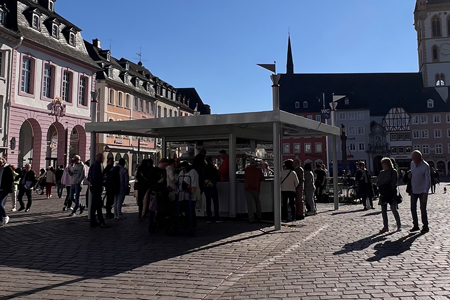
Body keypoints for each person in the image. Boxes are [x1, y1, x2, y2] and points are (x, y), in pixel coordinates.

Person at [377, 157, 401, 233]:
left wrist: (389, 188)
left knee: (393, 209)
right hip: (383, 194)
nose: (382, 165)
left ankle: (398, 225)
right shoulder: (381, 173)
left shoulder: (393, 171)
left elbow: (394, 183)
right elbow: (378, 182)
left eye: (383, 164)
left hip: (391, 193)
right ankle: (385, 227)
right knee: (383, 211)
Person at [409, 150, 431, 234]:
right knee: (413, 208)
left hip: (422, 191)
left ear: (419, 157)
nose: (412, 159)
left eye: (414, 157)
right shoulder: (412, 164)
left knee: (423, 209)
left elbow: (427, 180)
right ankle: (415, 225)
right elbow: (412, 174)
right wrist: (409, 175)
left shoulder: (425, 166)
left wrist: (426, 191)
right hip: (414, 190)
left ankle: (425, 226)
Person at [178, 161, 200, 232]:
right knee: (185, 209)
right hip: (183, 194)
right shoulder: (182, 173)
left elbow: (194, 184)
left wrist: (192, 192)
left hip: (191, 194)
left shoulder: (193, 172)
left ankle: (192, 224)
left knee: (191, 209)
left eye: (184, 168)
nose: (183, 170)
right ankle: (186, 223)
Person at [148, 158, 169, 231]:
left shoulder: (164, 171)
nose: (165, 167)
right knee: (153, 208)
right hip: (154, 191)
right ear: (161, 163)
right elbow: (150, 181)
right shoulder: (154, 170)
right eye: (165, 165)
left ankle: (159, 222)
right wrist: (158, 182)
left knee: (161, 208)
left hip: (162, 191)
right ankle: (151, 223)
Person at [87, 153, 107, 228]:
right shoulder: (97, 166)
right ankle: (101, 221)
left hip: (94, 186)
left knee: (94, 205)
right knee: (98, 205)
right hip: (96, 187)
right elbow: (96, 177)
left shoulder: (95, 165)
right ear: (99, 158)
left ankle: (93, 221)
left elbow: (89, 177)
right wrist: (102, 181)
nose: (103, 159)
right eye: (103, 158)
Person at [204, 156, 222, 223]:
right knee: (215, 202)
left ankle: (209, 218)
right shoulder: (213, 169)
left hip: (206, 187)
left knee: (208, 203)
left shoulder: (204, 168)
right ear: (211, 161)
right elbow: (216, 177)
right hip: (213, 186)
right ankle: (216, 217)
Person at [0, 158, 14, 226]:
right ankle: (0, 219)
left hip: (5, 189)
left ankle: (5, 216)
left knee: (0, 204)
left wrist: (9, 189)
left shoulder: (8, 169)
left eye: (0, 163)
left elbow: (11, 180)